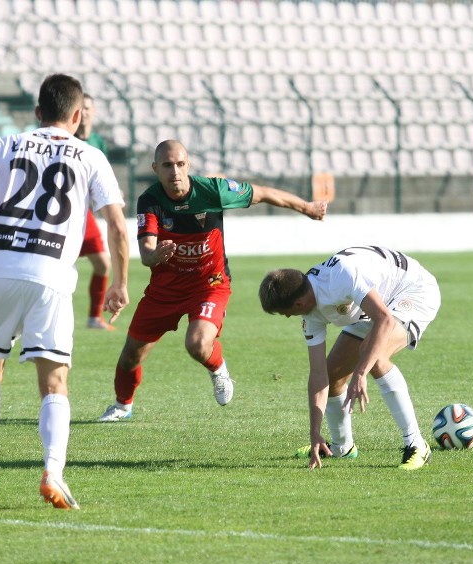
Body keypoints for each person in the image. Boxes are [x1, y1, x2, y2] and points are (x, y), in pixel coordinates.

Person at [0, 74, 129, 509]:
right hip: (51, 276)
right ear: (78, 114)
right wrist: (120, 282)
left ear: (37, 111)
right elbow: (118, 226)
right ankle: (52, 472)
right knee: (54, 380)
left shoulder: (4, 144)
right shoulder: (90, 155)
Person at [98, 139, 327, 422]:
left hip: (210, 285)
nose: (175, 172)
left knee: (196, 344)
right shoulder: (150, 200)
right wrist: (156, 254)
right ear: (156, 168)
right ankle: (122, 406)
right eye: (167, 166)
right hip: (165, 289)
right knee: (130, 356)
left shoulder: (213, 191)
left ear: (188, 165)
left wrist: (307, 208)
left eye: (180, 164)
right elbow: (146, 253)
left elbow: (264, 193)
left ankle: (218, 369)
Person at [258, 245, 441, 471]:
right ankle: (342, 447)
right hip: (377, 306)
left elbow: (384, 320)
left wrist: (361, 372)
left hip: (413, 289)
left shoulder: (342, 276)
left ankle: (416, 444)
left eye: (284, 312)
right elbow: (318, 374)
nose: (286, 317)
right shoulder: (310, 312)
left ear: (297, 303)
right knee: (334, 372)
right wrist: (314, 432)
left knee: (375, 356)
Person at [75, 94, 115, 330]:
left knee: (102, 264)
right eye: (81, 108)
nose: (85, 112)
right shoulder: (67, 138)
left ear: (94, 111)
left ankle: (94, 318)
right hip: (67, 211)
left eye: (88, 108)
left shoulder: (98, 142)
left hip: (84, 213)